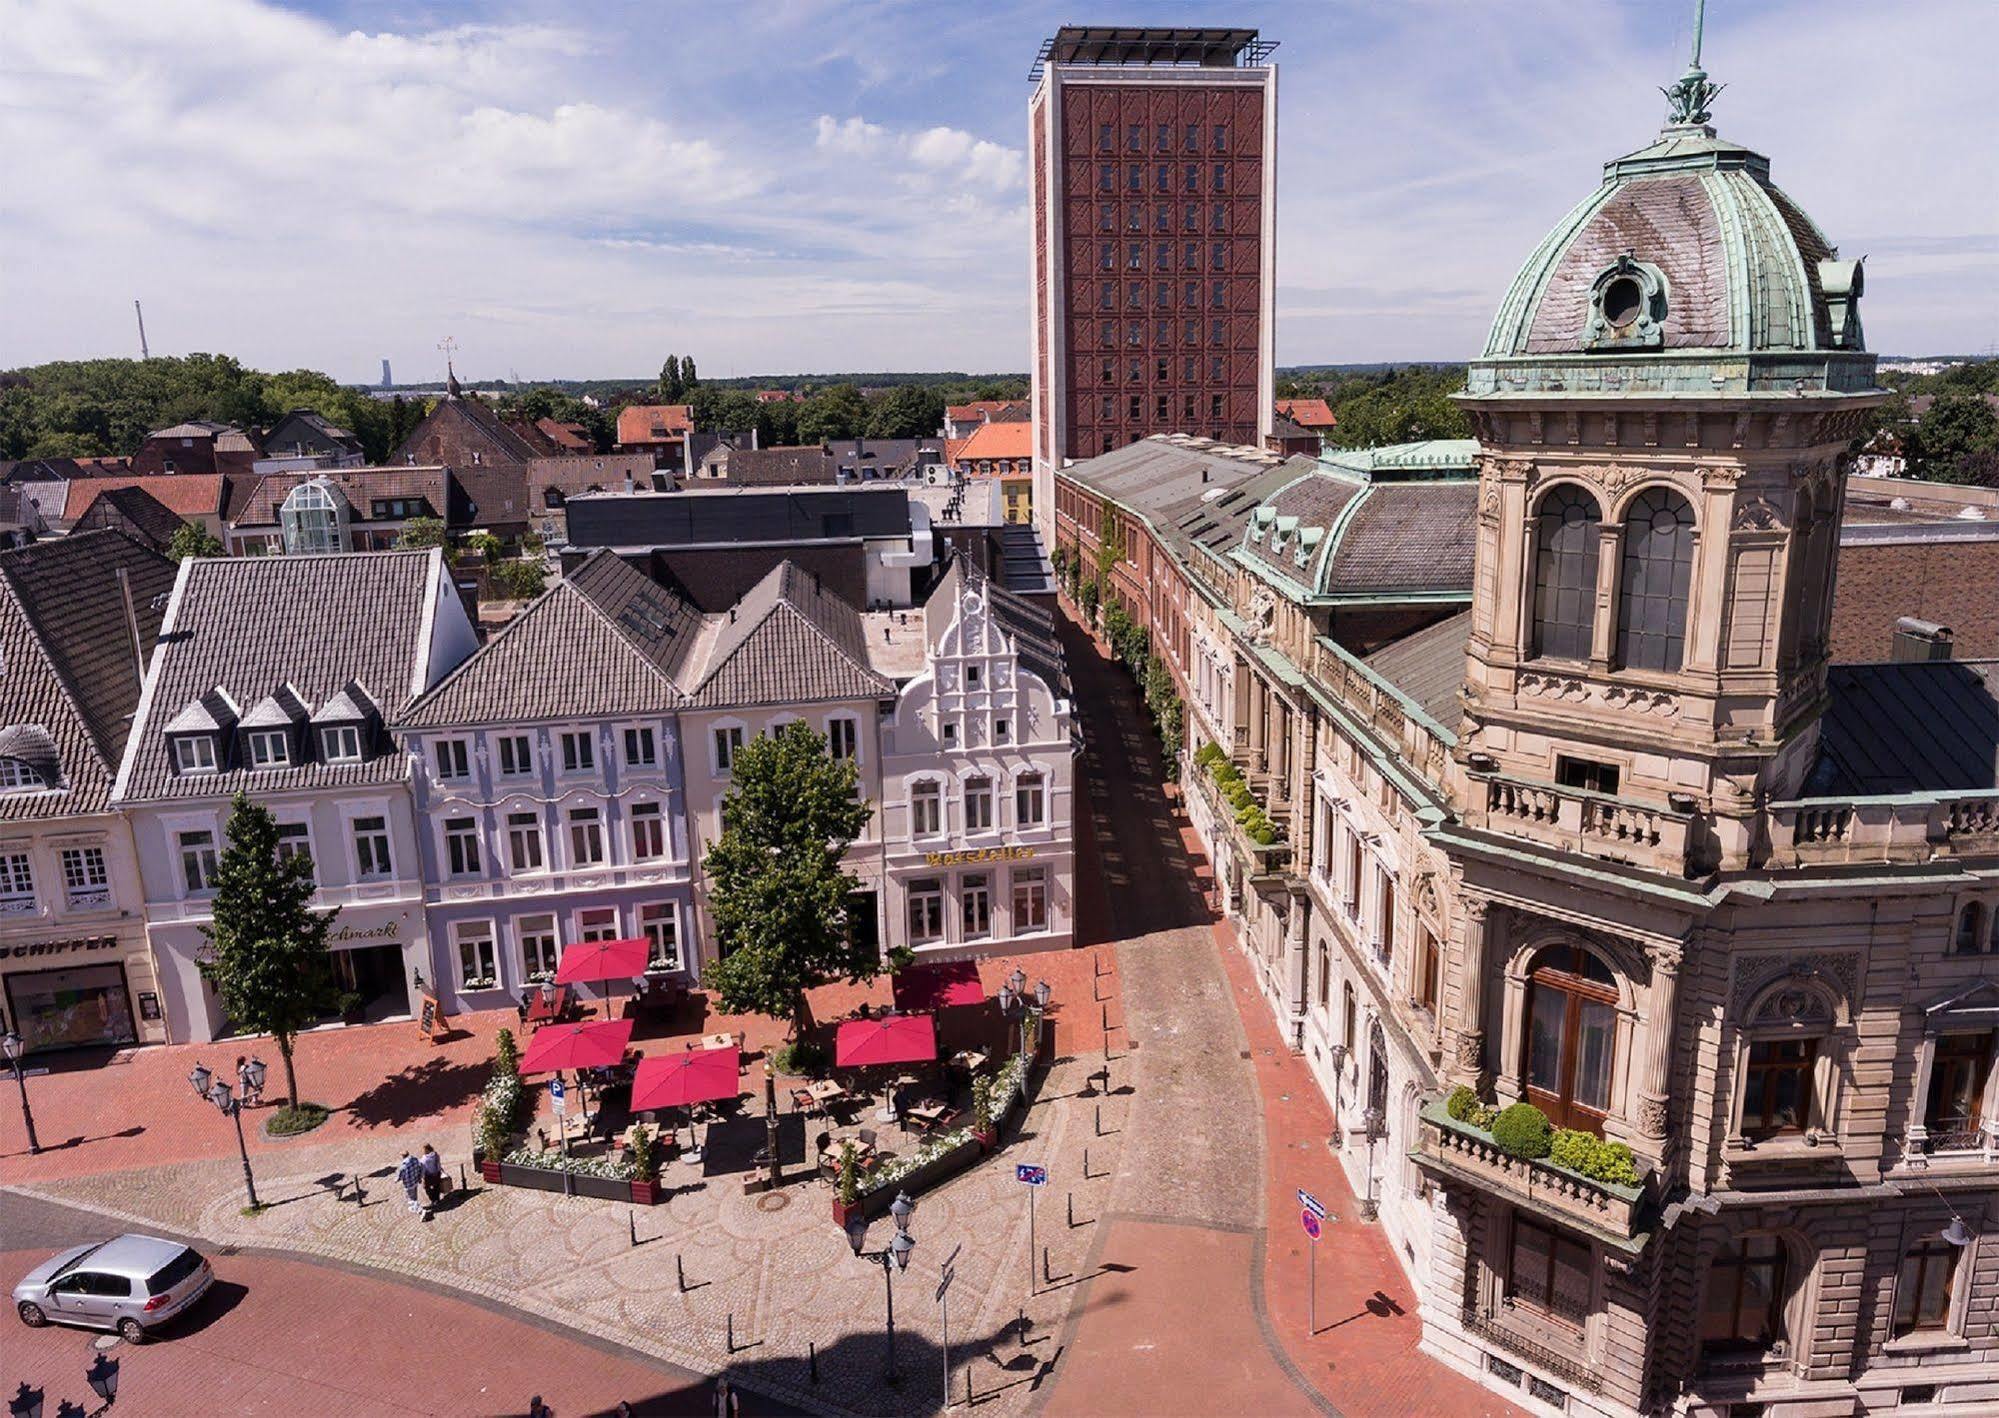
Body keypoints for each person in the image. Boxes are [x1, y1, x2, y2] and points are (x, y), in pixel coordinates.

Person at [396, 1149, 425, 1216]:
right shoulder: (414, 1159)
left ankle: (420, 1211)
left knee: (410, 1199)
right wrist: (420, 1177)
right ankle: (415, 1207)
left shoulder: (403, 1165)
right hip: (415, 1181)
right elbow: (421, 1166)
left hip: (408, 1184)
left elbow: (399, 1176)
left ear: (403, 1156)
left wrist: (396, 1179)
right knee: (414, 1196)